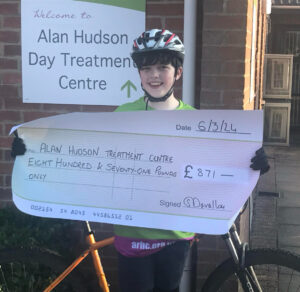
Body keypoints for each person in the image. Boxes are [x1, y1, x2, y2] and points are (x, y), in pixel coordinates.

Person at [11, 29, 270, 292]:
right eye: (146, 68)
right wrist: (31, 151)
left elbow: (215, 165)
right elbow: (89, 154)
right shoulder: (124, 114)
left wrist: (250, 163)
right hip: (133, 235)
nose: (154, 75)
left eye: (163, 67)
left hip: (175, 237)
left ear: (178, 72)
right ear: (139, 74)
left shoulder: (195, 121)